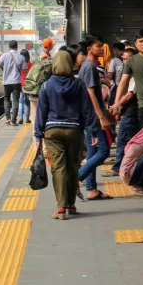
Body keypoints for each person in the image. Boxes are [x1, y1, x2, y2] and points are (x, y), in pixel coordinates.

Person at [35, 51, 97, 220]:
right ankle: (70, 204)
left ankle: (61, 207)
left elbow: (41, 111)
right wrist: (93, 131)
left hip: (52, 131)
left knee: (58, 168)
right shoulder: (78, 85)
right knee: (72, 166)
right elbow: (87, 110)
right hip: (74, 131)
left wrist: (38, 134)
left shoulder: (47, 85)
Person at [76, 35, 113, 200]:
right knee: (104, 151)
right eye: (98, 46)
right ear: (89, 48)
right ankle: (76, 178)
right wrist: (101, 117)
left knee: (92, 153)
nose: (101, 49)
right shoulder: (90, 67)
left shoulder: (86, 66)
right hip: (92, 117)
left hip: (88, 116)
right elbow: (91, 93)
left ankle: (91, 189)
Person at [105, 47, 139, 177]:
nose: (125, 62)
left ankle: (118, 167)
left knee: (123, 140)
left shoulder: (135, 75)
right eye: (123, 59)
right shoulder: (127, 74)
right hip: (127, 111)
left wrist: (117, 105)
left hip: (132, 112)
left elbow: (129, 95)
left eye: (128, 59)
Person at [0, 41, 28, 126]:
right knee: (15, 100)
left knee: (6, 99)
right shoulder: (21, 57)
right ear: (17, 48)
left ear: (9, 47)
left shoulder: (5, 55)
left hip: (6, 82)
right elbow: (24, 69)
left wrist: (4, 68)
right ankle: (14, 120)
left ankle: (8, 119)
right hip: (16, 82)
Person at [18, 49, 32, 124]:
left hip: (20, 84)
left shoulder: (19, 64)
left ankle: (20, 117)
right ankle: (26, 118)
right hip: (28, 85)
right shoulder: (31, 65)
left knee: (20, 101)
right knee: (27, 102)